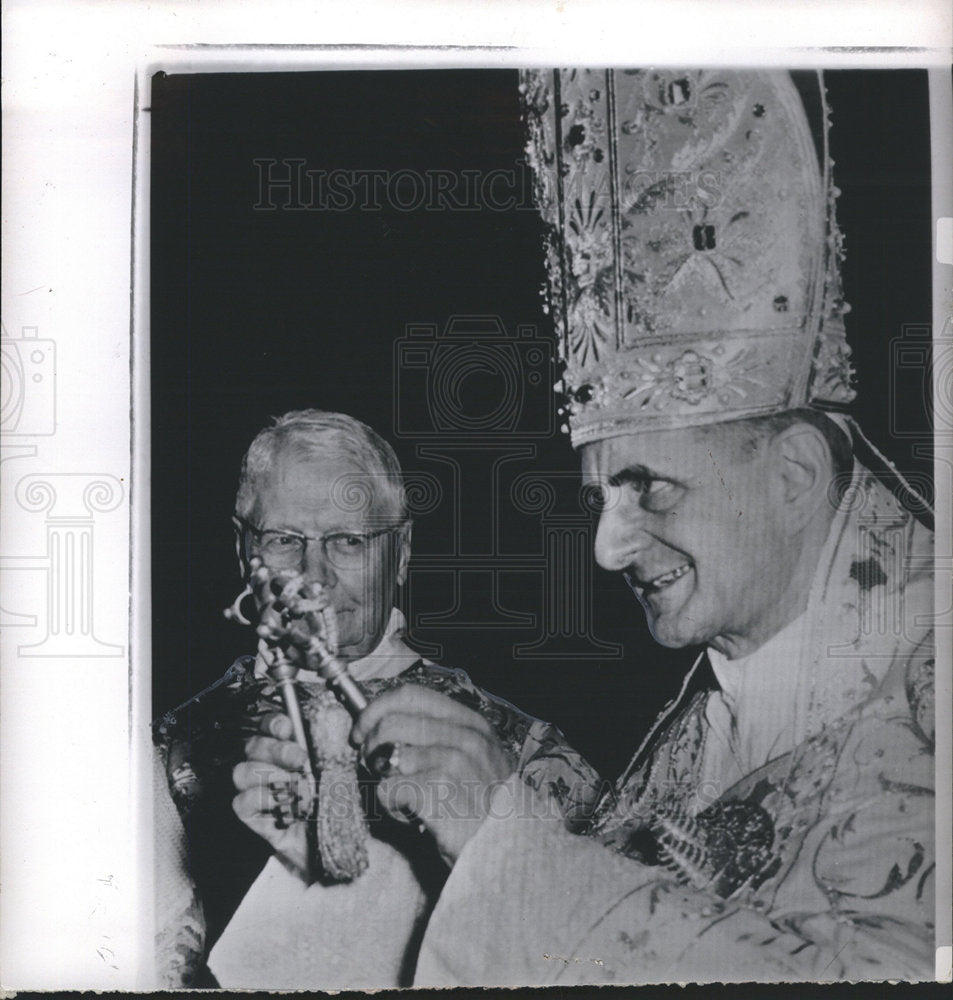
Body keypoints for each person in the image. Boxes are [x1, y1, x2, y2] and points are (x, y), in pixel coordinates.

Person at [248, 70, 936, 984]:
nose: (608, 549)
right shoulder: (705, 724)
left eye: (649, 487)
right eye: (599, 500)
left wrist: (508, 842)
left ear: (794, 474)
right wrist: (356, 863)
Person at [152, 409, 599, 988]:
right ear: (243, 549)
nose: (315, 577)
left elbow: (600, 946)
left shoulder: (520, 751)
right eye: (285, 540)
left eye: (348, 542)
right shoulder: (165, 754)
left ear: (403, 551)